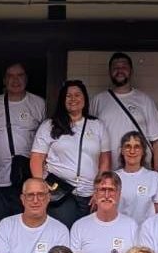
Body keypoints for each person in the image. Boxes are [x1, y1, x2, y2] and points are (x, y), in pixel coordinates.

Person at [32, 80, 111, 227]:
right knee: (61, 231)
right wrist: (42, 188)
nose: (73, 99)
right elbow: (37, 158)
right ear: (62, 100)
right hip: (59, 192)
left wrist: (99, 190)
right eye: (68, 96)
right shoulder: (49, 125)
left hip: (89, 194)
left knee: (86, 233)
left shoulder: (97, 125)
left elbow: (105, 161)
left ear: (85, 98)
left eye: (77, 95)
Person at [0, 63, 46, 225]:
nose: (15, 80)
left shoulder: (38, 104)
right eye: (10, 76)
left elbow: (46, 142)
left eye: (20, 75)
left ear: (26, 79)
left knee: (21, 226)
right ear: (4, 80)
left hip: (24, 180)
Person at [69, 171, 139, 253]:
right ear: (95, 194)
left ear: (119, 194)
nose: (107, 195)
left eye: (111, 190)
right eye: (102, 190)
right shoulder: (79, 226)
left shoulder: (132, 226)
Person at [89, 52, 158, 173]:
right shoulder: (98, 100)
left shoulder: (145, 100)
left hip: (140, 171)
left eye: (124, 67)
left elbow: (156, 142)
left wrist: (157, 174)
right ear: (109, 72)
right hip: (108, 172)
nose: (120, 71)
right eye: (115, 68)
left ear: (131, 71)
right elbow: (90, 140)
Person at [113, 131, 158, 224]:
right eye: (128, 146)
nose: (132, 151)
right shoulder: (113, 178)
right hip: (121, 229)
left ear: (143, 151)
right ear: (122, 151)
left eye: (137, 147)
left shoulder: (154, 177)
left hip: (146, 231)